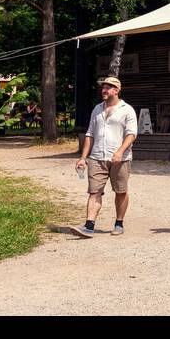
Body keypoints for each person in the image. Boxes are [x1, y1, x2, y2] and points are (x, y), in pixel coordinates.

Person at [71, 76, 138, 238]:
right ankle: (89, 226)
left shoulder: (127, 110)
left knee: (120, 191)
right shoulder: (97, 109)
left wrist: (120, 152)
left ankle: (119, 223)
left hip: (120, 159)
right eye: (103, 87)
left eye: (108, 87)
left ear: (116, 90)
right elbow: (90, 134)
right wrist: (83, 157)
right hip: (97, 157)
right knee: (94, 191)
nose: (104, 90)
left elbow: (131, 134)